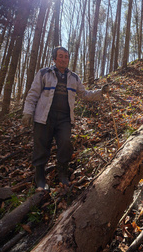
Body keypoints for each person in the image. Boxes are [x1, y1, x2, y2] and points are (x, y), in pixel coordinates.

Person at [22, 46, 109, 190]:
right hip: (44, 117)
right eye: (60, 56)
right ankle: (40, 178)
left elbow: (84, 94)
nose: (63, 59)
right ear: (54, 59)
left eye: (66, 56)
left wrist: (101, 92)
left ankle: (62, 174)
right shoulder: (44, 73)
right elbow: (33, 93)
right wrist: (27, 112)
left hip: (64, 119)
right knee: (41, 146)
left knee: (65, 144)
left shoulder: (73, 77)